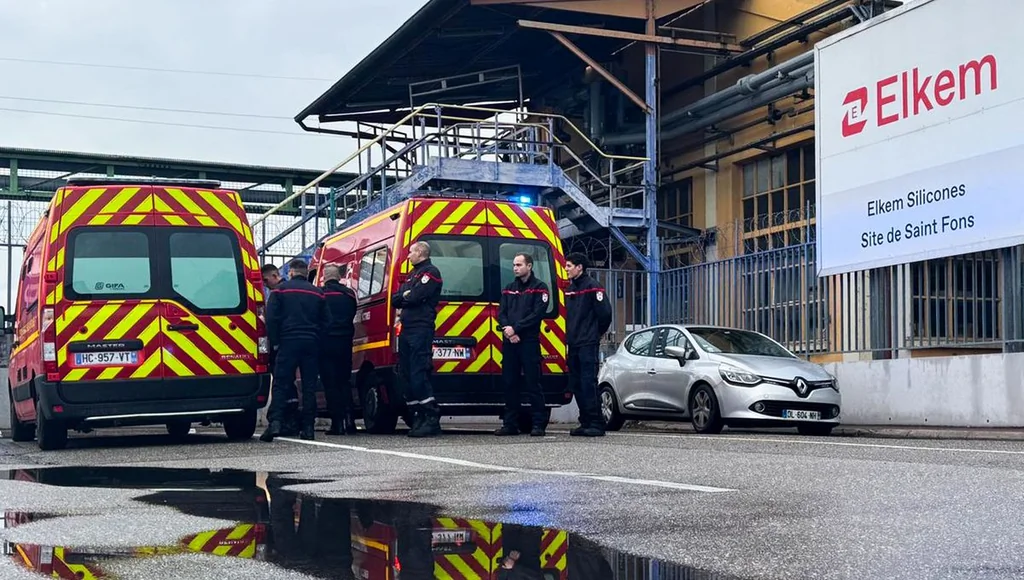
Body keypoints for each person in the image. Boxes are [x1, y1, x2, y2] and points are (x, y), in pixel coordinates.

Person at [261, 258, 330, 442]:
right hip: (311, 343)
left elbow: (272, 320)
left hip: (288, 342)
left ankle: (275, 422)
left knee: (281, 383)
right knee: (308, 386)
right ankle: (308, 427)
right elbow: (326, 321)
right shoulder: (318, 293)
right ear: (306, 273)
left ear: (290, 273)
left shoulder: (280, 291)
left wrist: (276, 342)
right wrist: (316, 339)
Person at [390, 240, 443, 438]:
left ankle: (430, 417)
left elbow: (415, 297)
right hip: (407, 329)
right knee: (406, 375)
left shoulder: (431, 272)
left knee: (418, 373)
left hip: (421, 328)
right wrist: (406, 294)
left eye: (411, 252)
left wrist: (406, 295)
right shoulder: (413, 274)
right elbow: (395, 298)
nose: (409, 256)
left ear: (420, 253)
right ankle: (416, 416)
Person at [495, 252, 550, 437]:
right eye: (514, 265)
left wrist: (516, 329)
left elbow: (536, 315)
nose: (515, 268)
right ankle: (510, 424)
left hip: (528, 342)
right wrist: (508, 331)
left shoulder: (540, 288)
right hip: (510, 342)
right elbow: (501, 313)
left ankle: (538, 424)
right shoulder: (509, 288)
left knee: (533, 384)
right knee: (510, 383)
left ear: (529, 266)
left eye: (519, 265)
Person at [564, 253, 613, 437]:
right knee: (576, 383)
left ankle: (596, 422)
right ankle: (585, 421)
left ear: (580, 267)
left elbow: (605, 314)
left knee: (588, 382)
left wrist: (595, 334)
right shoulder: (570, 289)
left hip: (587, 343)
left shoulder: (593, 287)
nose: (566, 269)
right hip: (574, 342)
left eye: (569, 266)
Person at [320, 264, 358, 435]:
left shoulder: (321, 294)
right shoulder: (349, 294)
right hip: (345, 342)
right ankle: (350, 422)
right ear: (339, 277)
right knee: (344, 381)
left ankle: (337, 423)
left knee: (331, 383)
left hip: (327, 342)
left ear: (324, 277)